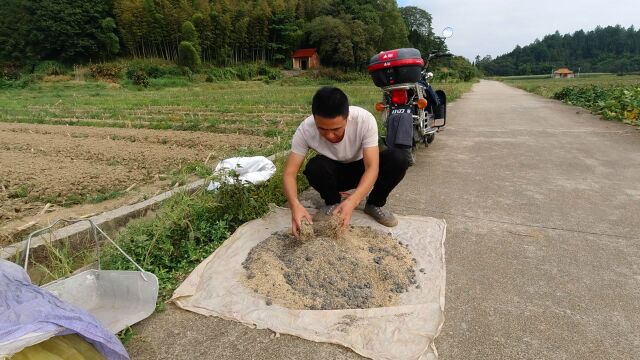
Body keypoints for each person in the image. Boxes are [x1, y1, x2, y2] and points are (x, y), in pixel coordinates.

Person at [283, 86, 410, 237]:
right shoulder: (305, 130)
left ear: (347, 117)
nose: (330, 135)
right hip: (335, 173)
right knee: (314, 167)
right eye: (322, 129)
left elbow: (372, 167)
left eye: (336, 129)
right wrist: (295, 205)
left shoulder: (364, 120)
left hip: (362, 168)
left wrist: (353, 201)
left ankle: (374, 204)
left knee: (399, 158)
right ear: (314, 118)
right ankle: (332, 203)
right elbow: (289, 173)